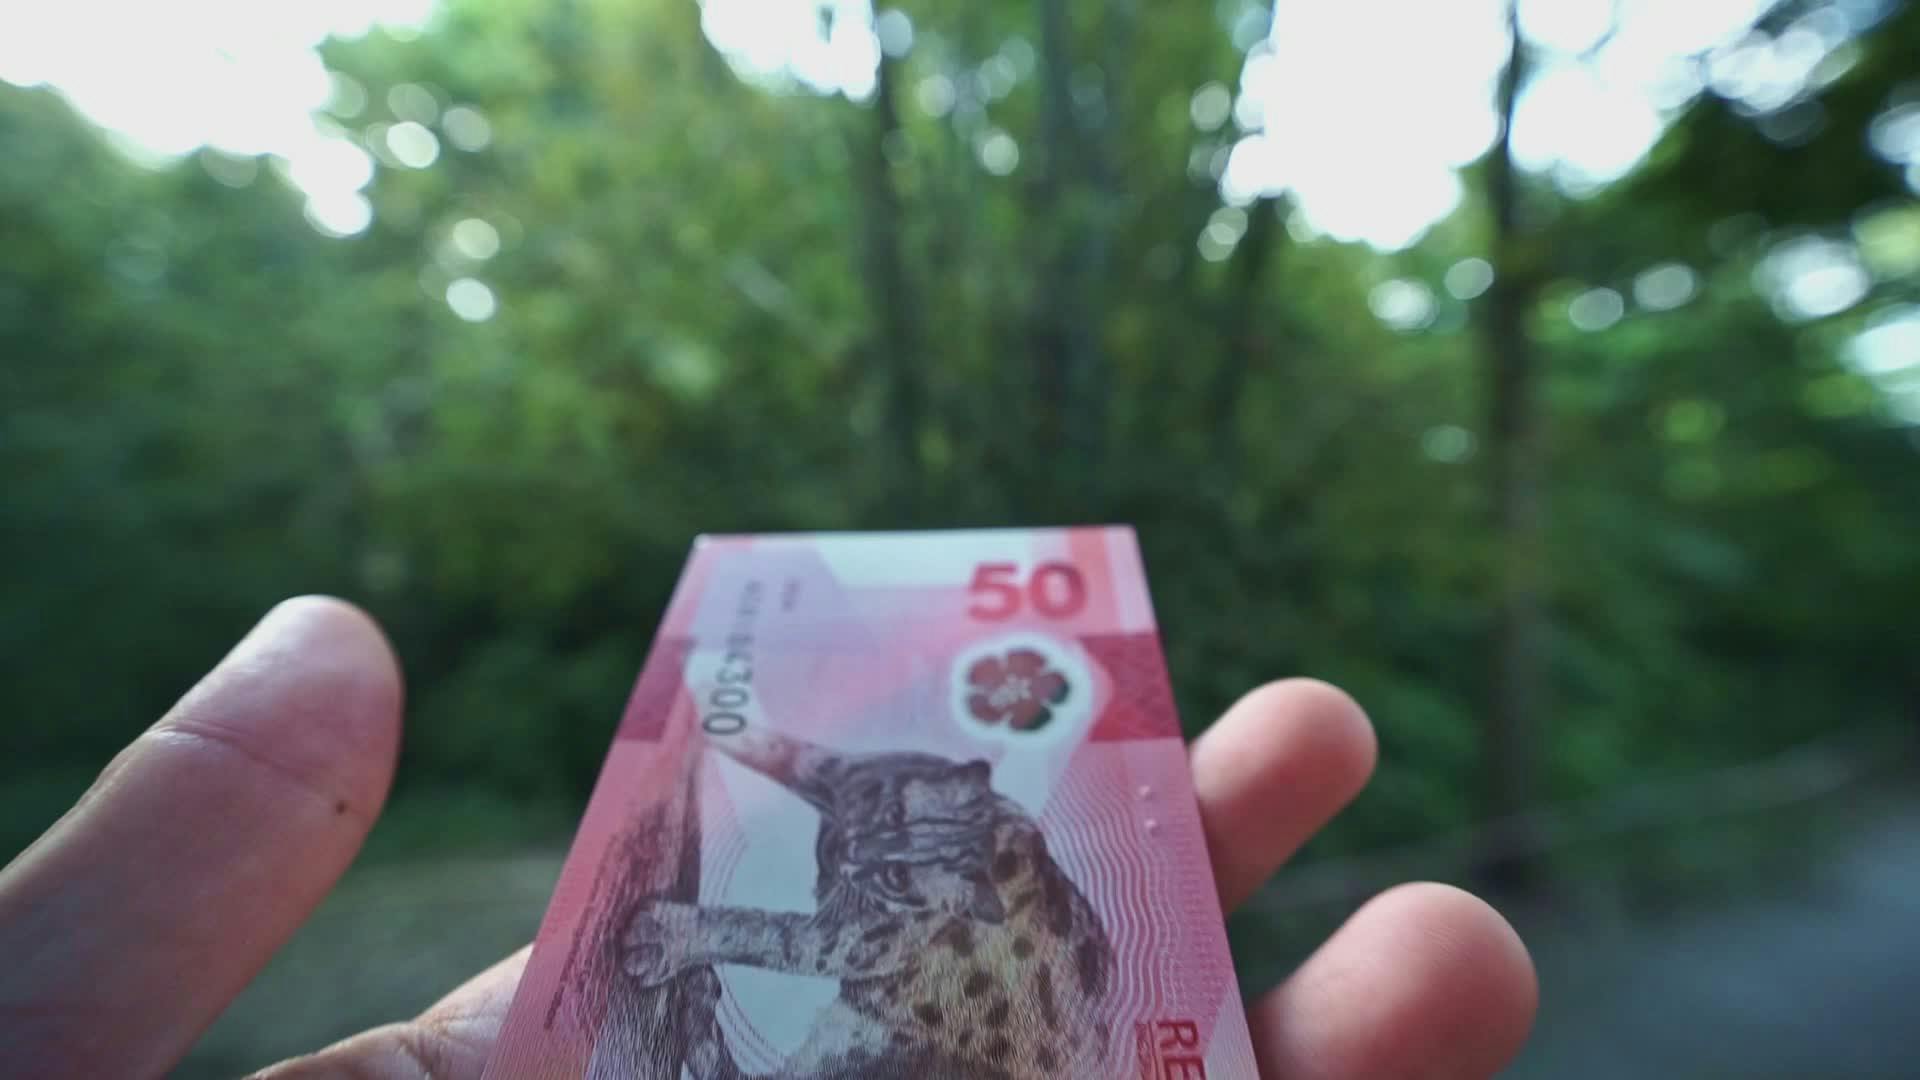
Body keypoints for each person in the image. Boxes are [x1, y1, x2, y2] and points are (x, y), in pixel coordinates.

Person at [0, 597, 1537, 1078]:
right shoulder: (931, 798)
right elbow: (830, 783)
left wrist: (700, 928)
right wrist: (729, 733)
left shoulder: (948, 869)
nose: (862, 824)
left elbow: (846, 932)